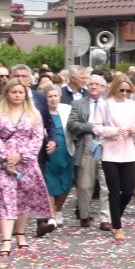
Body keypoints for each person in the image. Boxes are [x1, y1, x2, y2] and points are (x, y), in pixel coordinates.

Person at [0, 78, 51, 257]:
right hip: (3, 164)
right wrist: (8, 158)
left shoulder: (33, 114)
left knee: (23, 198)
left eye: (20, 92)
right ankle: (6, 239)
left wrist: (21, 155)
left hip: (26, 163)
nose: (17, 95)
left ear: (25, 94)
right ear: (7, 94)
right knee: (6, 198)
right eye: (13, 92)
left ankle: (20, 233)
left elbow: (37, 138)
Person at [93, 74, 135, 239]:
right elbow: (96, 127)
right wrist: (114, 131)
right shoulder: (105, 104)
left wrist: (134, 129)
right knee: (114, 190)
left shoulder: (132, 104)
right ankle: (117, 226)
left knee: (128, 190)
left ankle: (115, 217)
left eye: (128, 91)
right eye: (121, 90)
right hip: (110, 151)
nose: (124, 93)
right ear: (115, 88)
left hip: (127, 150)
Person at [65, 74, 105, 227]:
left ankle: (106, 219)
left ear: (103, 88)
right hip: (86, 142)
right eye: (91, 84)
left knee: (106, 183)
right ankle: (84, 214)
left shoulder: (108, 103)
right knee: (84, 183)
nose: (93, 86)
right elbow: (72, 124)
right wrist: (91, 126)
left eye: (97, 84)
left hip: (106, 143)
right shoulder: (78, 104)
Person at [39, 82, 74, 231]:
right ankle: (52, 215)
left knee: (66, 183)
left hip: (66, 150)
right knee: (50, 184)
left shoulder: (67, 109)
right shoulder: (40, 112)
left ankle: (58, 210)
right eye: (50, 96)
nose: (53, 99)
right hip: (48, 152)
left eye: (55, 96)